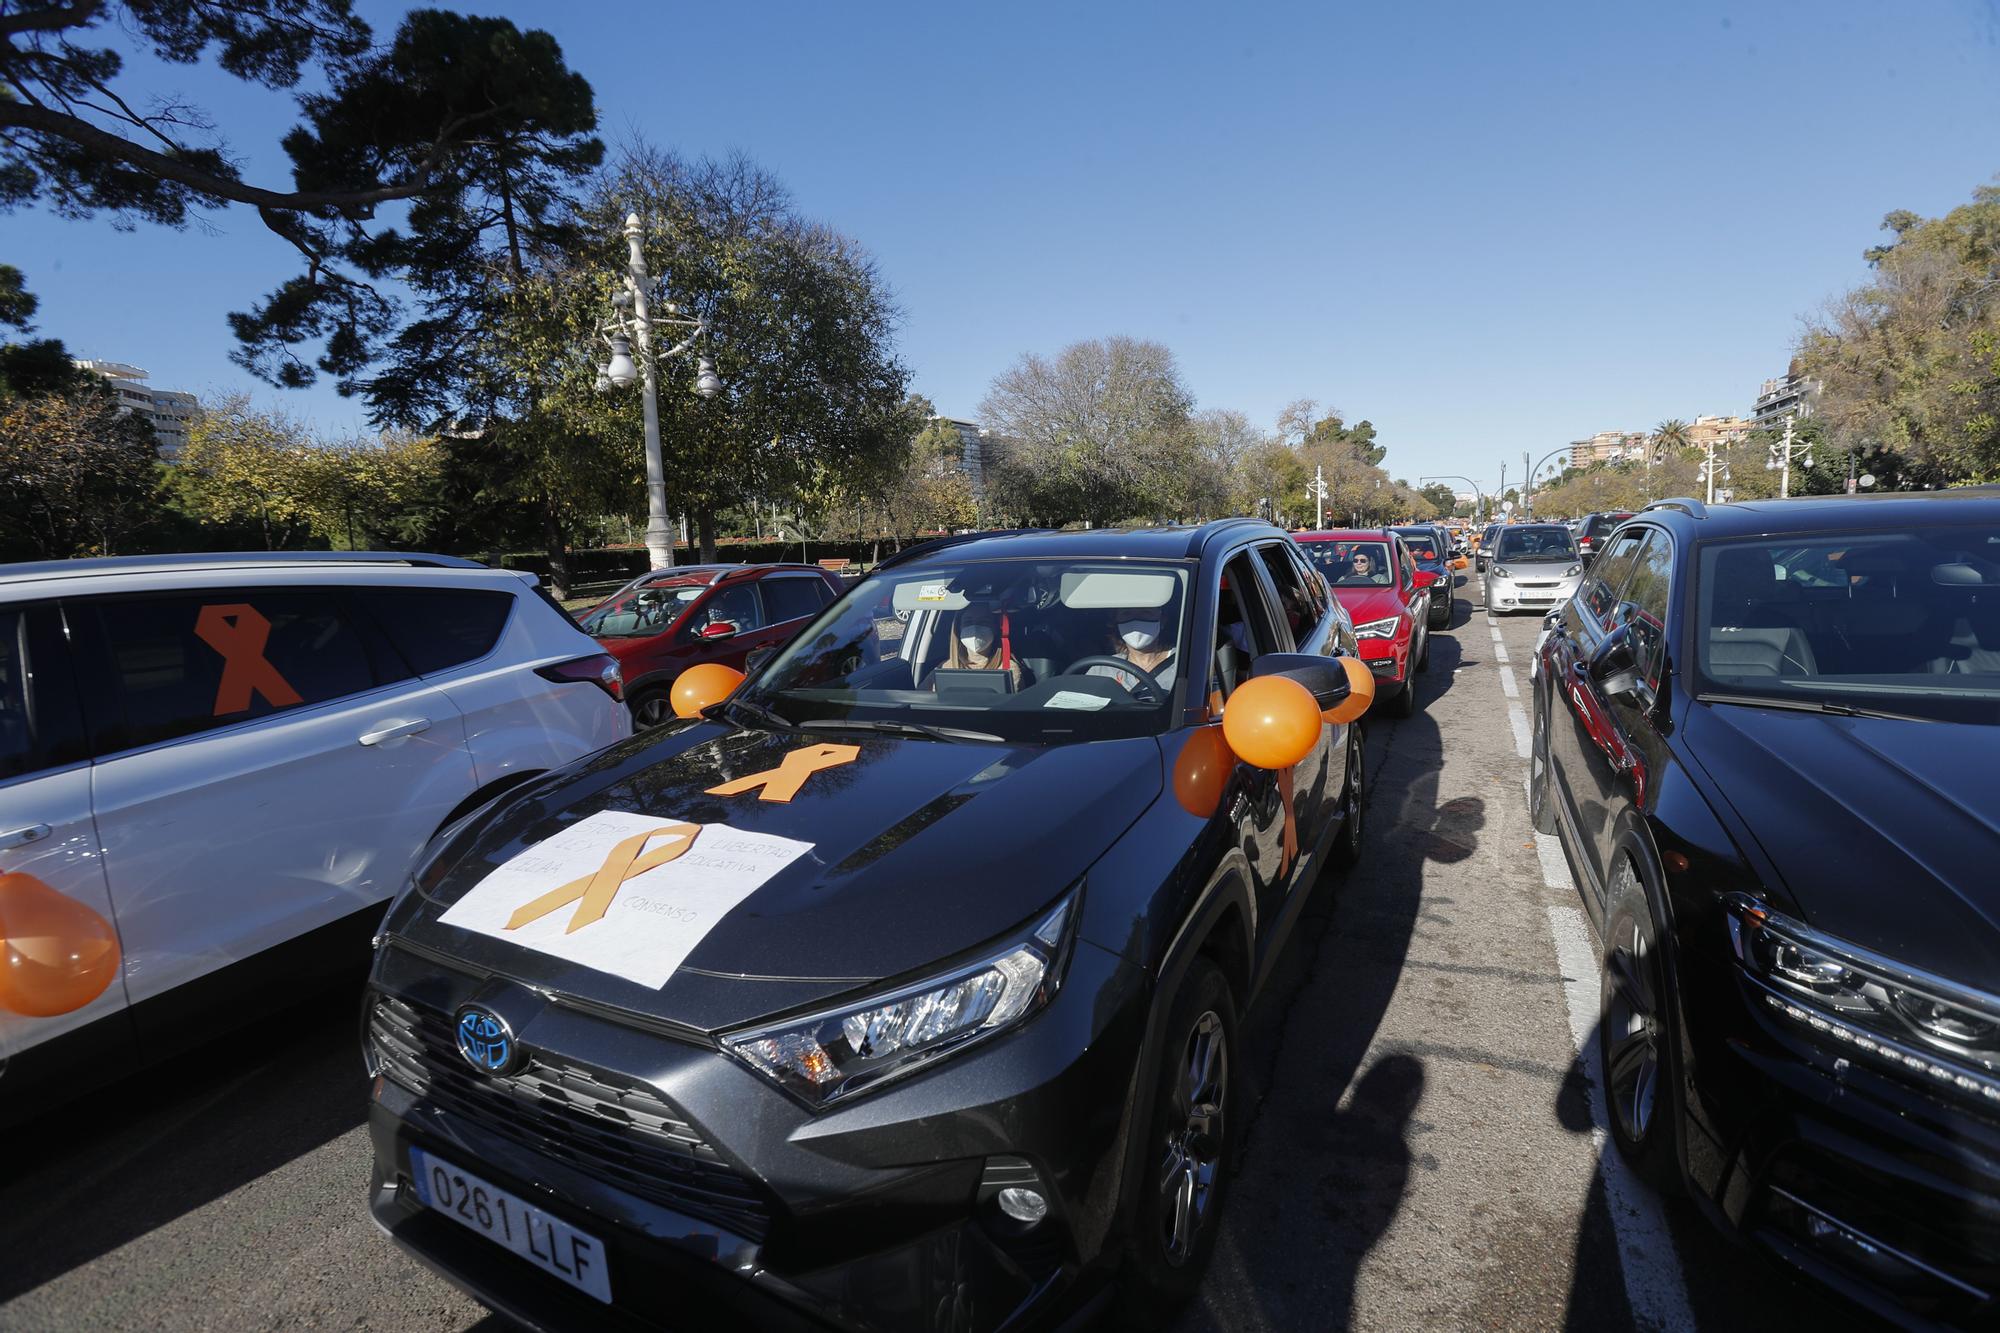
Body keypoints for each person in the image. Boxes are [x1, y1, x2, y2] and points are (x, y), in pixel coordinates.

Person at [930, 601, 1029, 690]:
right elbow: (918, 697)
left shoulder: (1009, 670)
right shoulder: (945, 667)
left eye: (983, 622)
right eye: (968, 621)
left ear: (995, 628)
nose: (975, 628)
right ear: (958, 629)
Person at [1085, 603, 1178, 696]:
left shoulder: (1183, 664)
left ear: (1162, 621)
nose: (1136, 620)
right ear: (1116, 622)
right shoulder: (1102, 669)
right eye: (1127, 613)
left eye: (1146, 612)